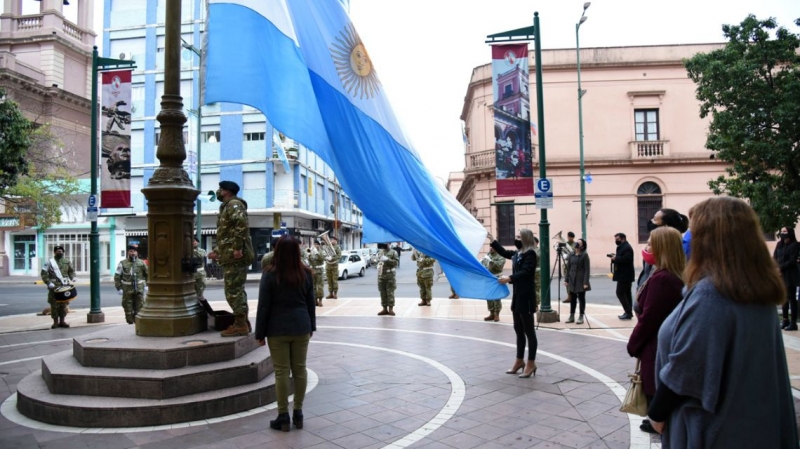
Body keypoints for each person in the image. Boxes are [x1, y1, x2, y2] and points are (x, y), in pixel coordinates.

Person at [648, 197, 797, 447]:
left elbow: (687, 369)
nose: (688, 239)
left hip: (713, 429)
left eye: (693, 232)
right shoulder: (756, 288)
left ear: (710, 239)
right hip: (751, 425)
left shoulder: (712, 293)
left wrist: (657, 412)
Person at [626, 227, 685, 434]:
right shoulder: (663, 274)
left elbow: (650, 318)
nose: (646, 246)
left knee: (655, 392)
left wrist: (633, 344)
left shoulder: (663, 278)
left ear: (662, 247)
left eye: (651, 243)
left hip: (655, 346)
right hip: (656, 344)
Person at [255, 235, 315, 433]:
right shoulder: (306, 273)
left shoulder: (270, 274)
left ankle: (283, 416)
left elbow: (264, 306)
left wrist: (260, 333)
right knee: (300, 370)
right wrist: (311, 326)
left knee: (281, 371)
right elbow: (310, 304)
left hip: (277, 328)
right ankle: (298, 412)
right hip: (301, 326)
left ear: (277, 251)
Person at [207, 181, 255, 337]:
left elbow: (241, 226)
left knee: (233, 291)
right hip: (230, 255)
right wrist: (217, 251)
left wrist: (237, 249)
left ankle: (240, 325)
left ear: (226, 191)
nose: (218, 192)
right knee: (236, 290)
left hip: (236, 257)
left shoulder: (234, 205)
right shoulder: (228, 206)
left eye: (220, 189)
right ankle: (243, 322)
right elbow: (226, 234)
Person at [490, 229, 539, 378]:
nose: (516, 239)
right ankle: (519, 361)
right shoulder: (518, 254)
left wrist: (509, 278)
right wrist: (492, 240)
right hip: (517, 296)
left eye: (519, 237)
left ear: (525, 239)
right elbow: (504, 252)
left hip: (527, 296)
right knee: (518, 329)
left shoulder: (530, 254)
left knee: (529, 331)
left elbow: (526, 271)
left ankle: (531, 363)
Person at [41, 245, 75, 329]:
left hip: (64, 286)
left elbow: (71, 271)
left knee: (63, 304)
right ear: (54, 252)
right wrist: (48, 282)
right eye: (57, 250)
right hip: (54, 286)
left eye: (61, 250)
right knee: (54, 304)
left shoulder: (67, 261)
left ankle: (62, 321)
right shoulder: (49, 262)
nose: (59, 252)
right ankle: (55, 322)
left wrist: (73, 277)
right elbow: (44, 273)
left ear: (63, 252)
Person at [114, 245, 149, 325]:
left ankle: (138, 323)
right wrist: (119, 288)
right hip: (127, 289)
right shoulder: (122, 263)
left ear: (137, 253)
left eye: (134, 251)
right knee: (127, 306)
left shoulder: (141, 263)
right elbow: (117, 276)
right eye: (131, 251)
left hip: (139, 289)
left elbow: (148, 274)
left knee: (140, 306)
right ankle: (130, 322)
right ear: (128, 252)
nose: (133, 253)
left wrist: (147, 285)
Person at [774, 227, 800, 330]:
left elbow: (792, 261)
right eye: (781, 231)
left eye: (785, 231)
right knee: (783, 298)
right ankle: (785, 320)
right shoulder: (779, 245)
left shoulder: (795, 245)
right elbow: (775, 257)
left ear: (790, 233)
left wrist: (780, 268)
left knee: (791, 298)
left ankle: (793, 323)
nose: (782, 233)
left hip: (790, 275)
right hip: (781, 275)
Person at [564, 238, 590, 324]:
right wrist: (566, 280)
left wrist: (585, 282)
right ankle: (571, 316)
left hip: (581, 279)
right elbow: (568, 268)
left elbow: (587, 269)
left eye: (579, 243)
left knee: (581, 298)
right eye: (577, 242)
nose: (577, 244)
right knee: (573, 298)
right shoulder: (571, 255)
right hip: (572, 279)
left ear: (582, 246)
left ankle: (581, 316)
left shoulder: (584, 255)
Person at [612, 232, 635, 320]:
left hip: (625, 275)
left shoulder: (627, 248)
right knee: (626, 293)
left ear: (623, 239)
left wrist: (616, 258)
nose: (616, 241)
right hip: (623, 274)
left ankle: (628, 311)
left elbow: (627, 259)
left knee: (620, 292)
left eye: (617, 239)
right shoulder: (622, 247)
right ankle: (628, 312)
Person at [481, 247, 506, 321]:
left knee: (496, 297)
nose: (491, 248)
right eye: (490, 247)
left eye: (492, 247)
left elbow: (500, 265)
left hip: (497, 278)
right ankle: (491, 313)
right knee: (489, 296)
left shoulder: (500, 255)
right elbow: (483, 264)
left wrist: (491, 261)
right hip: (488, 278)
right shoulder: (487, 255)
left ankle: (497, 314)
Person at [376, 243, 399, 315]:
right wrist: (376, 261)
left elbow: (396, 263)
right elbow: (375, 262)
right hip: (381, 275)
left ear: (389, 244)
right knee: (382, 292)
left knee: (390, 292)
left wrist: (387, 260)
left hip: (390, 275)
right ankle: (384, 308)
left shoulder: (393, 252)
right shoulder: (380, 252)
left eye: (386, 243)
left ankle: (391, 309)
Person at [308, 240, 326, 307]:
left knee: (320, 286)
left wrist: (317, 253)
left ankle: (320, 300)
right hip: (313, 270)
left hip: (319, 270)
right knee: (313, 286)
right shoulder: (312, 251)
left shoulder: (322, 251)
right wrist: (309, 255)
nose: (315, 245)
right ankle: (315, 300)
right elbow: (310, 261)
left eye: (316, 244)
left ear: (319, 245)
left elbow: (322, 259)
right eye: (314, 244)